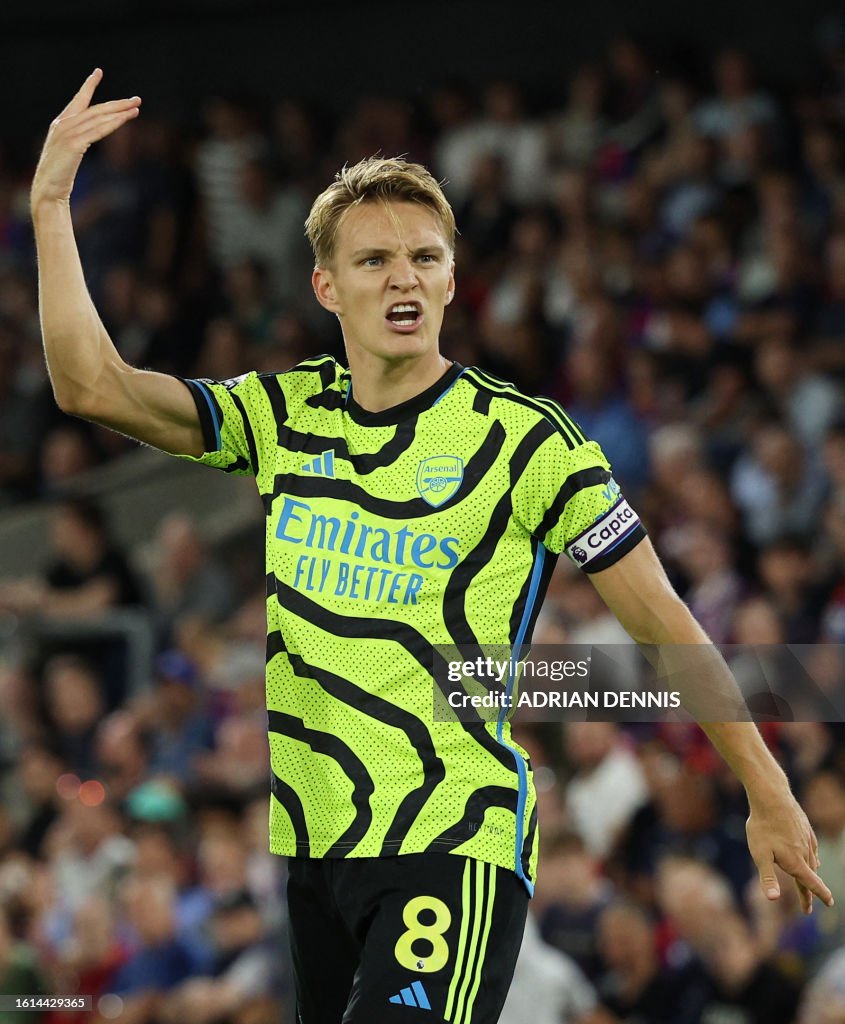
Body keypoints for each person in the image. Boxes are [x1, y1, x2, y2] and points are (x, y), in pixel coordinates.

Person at [30, 70, 832, 1024]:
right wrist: (48, 207)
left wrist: (766, 786)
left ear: (452, 276)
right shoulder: (281, 414)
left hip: (451, 841)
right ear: (326, 286)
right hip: (317, 851)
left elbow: (663, 620)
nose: (402, 277)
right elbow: (95, 389)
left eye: (422, 256)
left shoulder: (530, 441)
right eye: (373, 261)